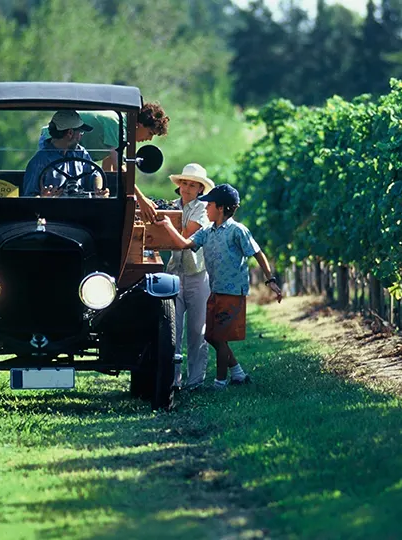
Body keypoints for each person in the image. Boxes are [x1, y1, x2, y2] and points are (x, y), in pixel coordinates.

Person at [155, 183, 283, 390]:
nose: (206, 208)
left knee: (220, 336)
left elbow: (257, 253)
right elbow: (183, 244)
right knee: (211, 336)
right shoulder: (207, 231)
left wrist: (271, 280)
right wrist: (168, 226)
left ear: (221, 208)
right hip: (215, 291)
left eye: (210, 205)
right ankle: (238, 373)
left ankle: (220, 382)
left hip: (232, 292)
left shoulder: (237, 231)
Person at [37, 102, 169, 219]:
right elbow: (119, 168)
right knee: (55, 190)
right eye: (150, 133)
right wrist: (141, 199)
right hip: (54, 141)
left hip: (74, 154)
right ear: (139, 124)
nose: (149, 139)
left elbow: (108, 167)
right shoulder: (117, 125)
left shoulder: (120, 131)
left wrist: (106, 196)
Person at [166, 164, 215, 391]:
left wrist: (164, 226)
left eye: (192, 185)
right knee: (172, 330)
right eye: (184, 183)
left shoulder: (202, 209)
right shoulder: (172, 207)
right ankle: (172, 379)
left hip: (197, 274)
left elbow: (186, 236)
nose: (187, 188)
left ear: (199, 189)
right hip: (175, 272)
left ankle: (195, 381)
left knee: (198, 330)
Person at [22, 110, 106, 198]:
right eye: (81, 132)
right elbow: (29, 197)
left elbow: (96, 173)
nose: (81, 136)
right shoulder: (39, 161)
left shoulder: (80, 152)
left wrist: (98, 190)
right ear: (70, 133)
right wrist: (44, 198)